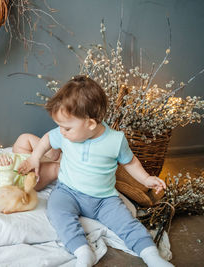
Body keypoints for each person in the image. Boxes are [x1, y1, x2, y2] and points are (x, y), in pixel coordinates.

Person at [18, 75, 174, 267]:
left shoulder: (115, 140)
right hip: (68, 191)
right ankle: (82, 250)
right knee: (56, 211)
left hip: (104, 200)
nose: (62, 132)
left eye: (66, 128)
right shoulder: (65, 135)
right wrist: (35, 157)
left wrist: (146, 178)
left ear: (91, 123)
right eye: (60, 127)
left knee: (128, 223)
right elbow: (48, 139)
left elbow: (130, 162)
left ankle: (152, 257)